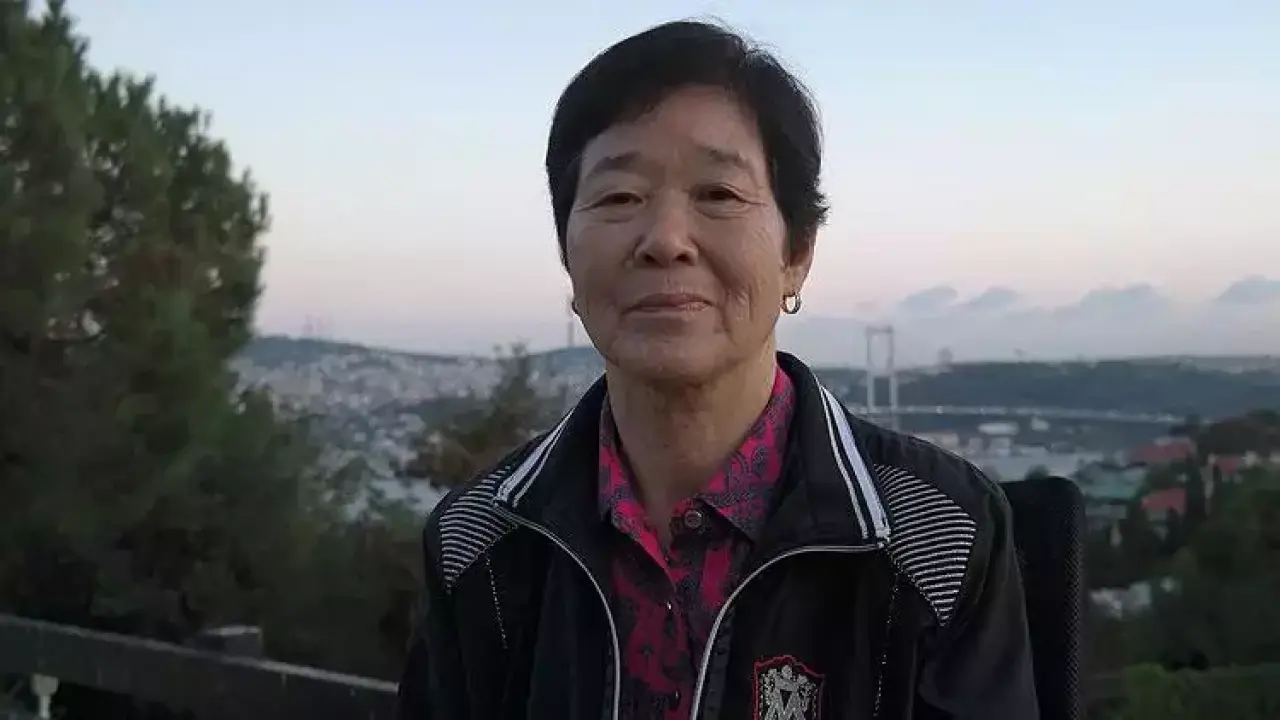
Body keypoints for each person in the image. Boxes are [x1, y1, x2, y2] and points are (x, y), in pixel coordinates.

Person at [397, 20, 1038, 720]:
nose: (666, 240)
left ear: (797, 253)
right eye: (618, 198)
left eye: (719, 194)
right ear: (567, 256)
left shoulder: (936, 538)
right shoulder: (479, 545)